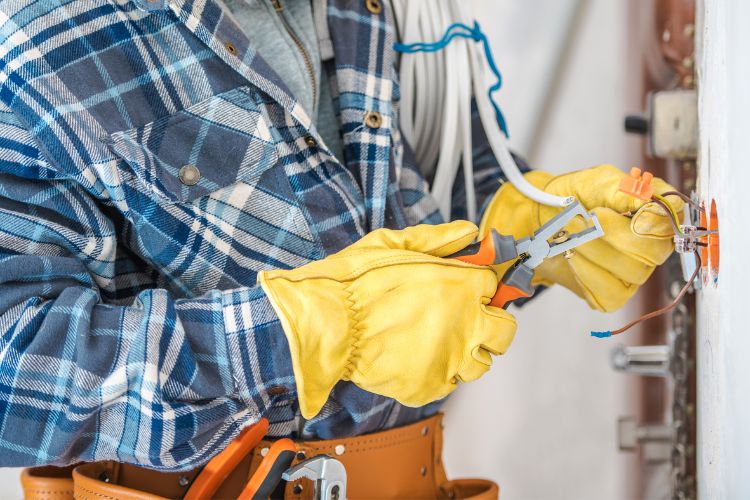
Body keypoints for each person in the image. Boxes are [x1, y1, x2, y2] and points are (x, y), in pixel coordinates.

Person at [1, 0, 681, 497]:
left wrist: (525, 232)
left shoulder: (394, 11)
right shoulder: (36, 39)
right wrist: (307, 335)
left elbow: (445, 186)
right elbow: (11, 376)